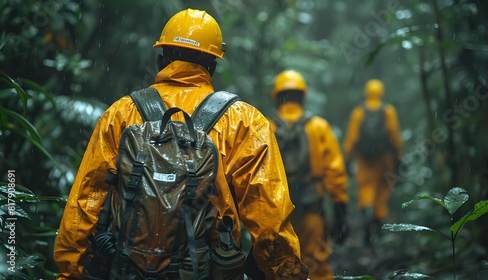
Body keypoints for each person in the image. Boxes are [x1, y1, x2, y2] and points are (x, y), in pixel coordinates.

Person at [53, 8, 309, 280]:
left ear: (160, 59)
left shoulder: (122, 113)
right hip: (203, 269)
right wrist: (284, 273)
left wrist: (69, 273)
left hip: (126, 267)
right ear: (212, 66)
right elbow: (270, 215)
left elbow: (85, 202)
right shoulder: (244, 121)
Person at [268, 70, 349, 280]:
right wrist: (340, 208)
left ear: (276, 96)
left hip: (279, 213)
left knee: (281, 266)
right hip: (313, 207)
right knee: (316, 263)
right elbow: (335, 170)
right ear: (303, 96)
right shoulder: (318, 126)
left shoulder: (266, 127)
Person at [342, 79, 403, 245]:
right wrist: (399, 157)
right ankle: (379, 223)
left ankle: (366, 217)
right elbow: (395, 136)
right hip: (384, 158)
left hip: (364, 158)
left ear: (366, 93)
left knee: (365, 186)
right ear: (381, 93)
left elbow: (351, 139)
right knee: (383, 188)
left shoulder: (359, 112)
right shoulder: (388, 111)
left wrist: (347, 159)